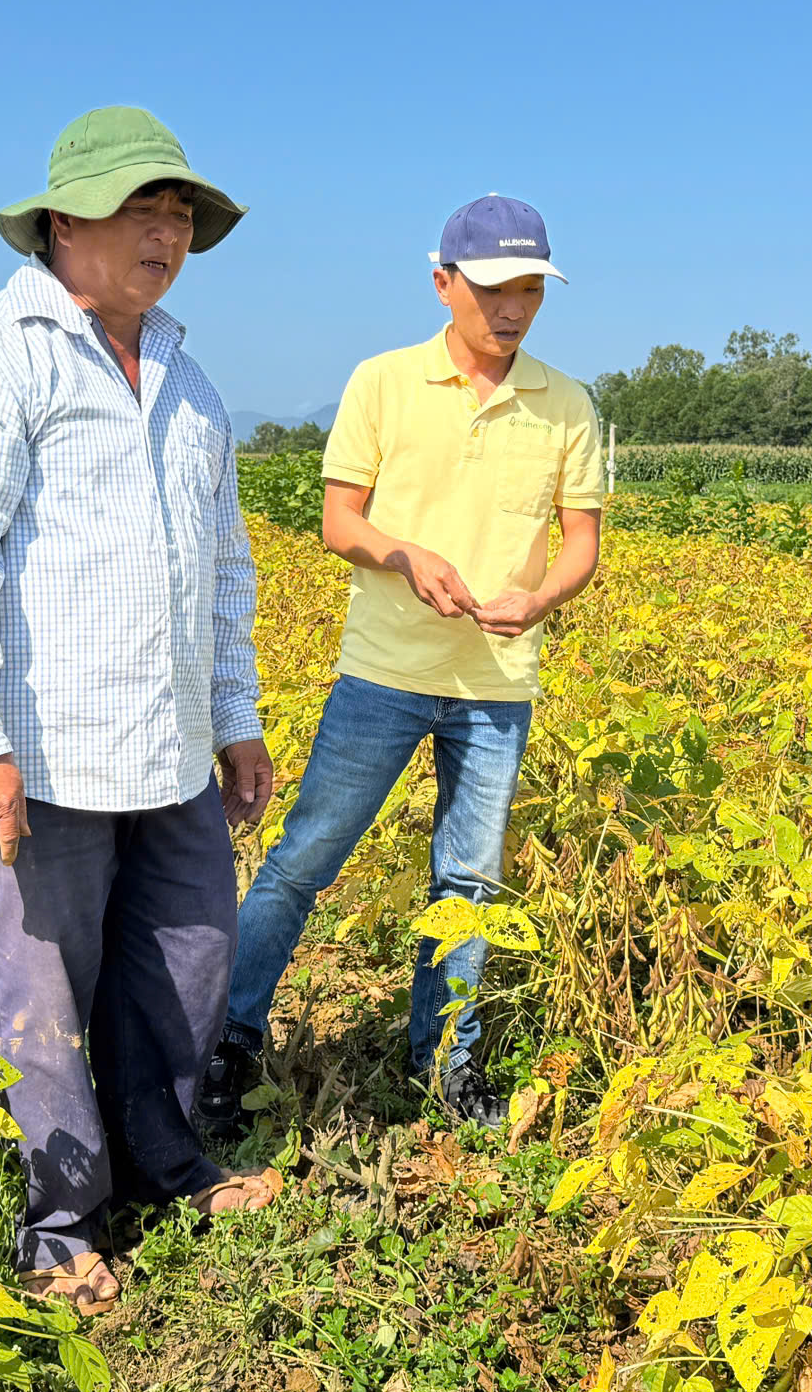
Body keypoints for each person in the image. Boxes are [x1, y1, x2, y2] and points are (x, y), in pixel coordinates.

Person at [0, 105, 281, 1318]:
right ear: (63, 222)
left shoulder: (185, 373)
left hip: (165, 741)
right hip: (39, 748)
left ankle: (167, 1162)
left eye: (177, 216)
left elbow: (223, 565)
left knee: (183, 955)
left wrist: (234, 714)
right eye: (140, 210)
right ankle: (61, 1224)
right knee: (41, 985)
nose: (163, 234)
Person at [200, 195, 604, 1131]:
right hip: (382, 674)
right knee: (304, 860)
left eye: (532, 290)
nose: (514, 309)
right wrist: (405, 556)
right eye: (496, 288)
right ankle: (229, 1041)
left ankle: (446, 1066)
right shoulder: (382, 383)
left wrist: (540, 599)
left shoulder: (567, 404)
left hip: (499, 687)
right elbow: (340, 520)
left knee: (467, 883)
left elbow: (580, 541)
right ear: (444, 284)